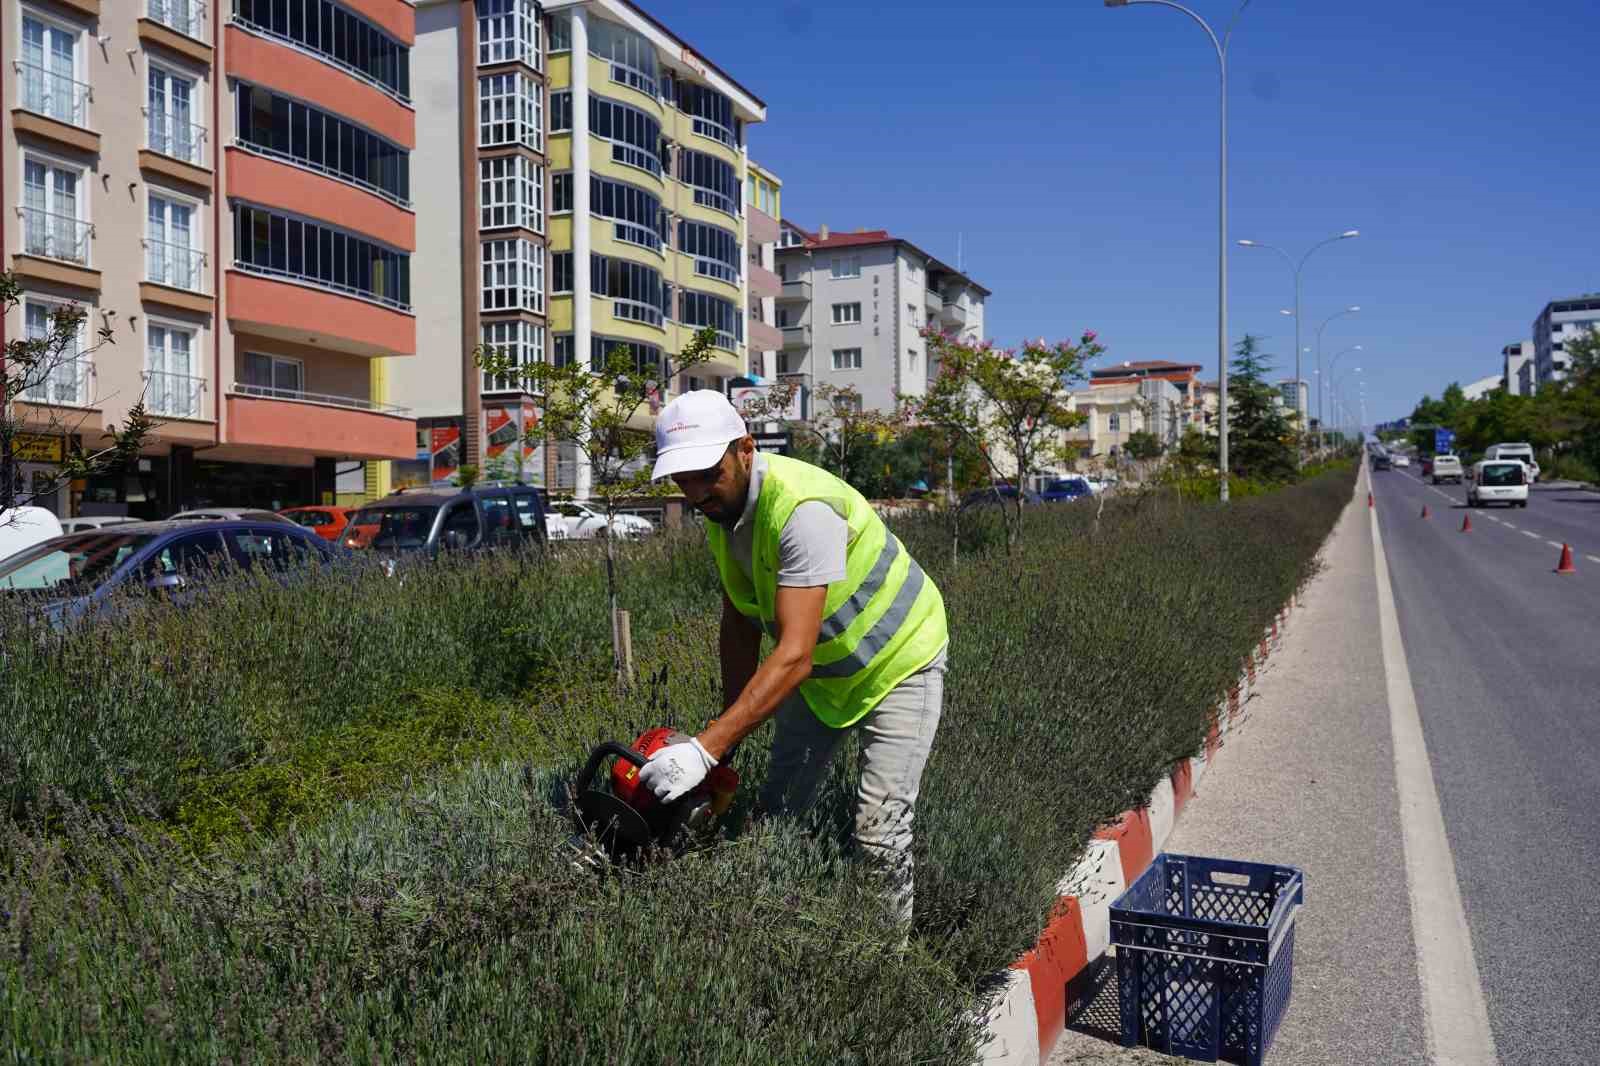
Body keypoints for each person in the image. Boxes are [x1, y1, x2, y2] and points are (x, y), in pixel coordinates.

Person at [638, 390, 949, 926]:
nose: (694, 493)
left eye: (706, 473)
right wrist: (723, 740)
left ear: (745, 449)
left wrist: (707, 750)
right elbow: (739, 620)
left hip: (899, 660)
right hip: (828, 677)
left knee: (879, 834)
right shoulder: (723, 512)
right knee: (778, 817)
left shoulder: (801, 509)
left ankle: (888, 976)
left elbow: (794, 653)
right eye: (681, 479)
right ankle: (780, 932)